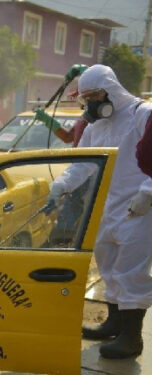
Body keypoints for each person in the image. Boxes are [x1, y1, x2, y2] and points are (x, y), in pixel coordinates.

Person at [48, 64, 152, 359]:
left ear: (110, 91)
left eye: (93, 97)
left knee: (130, 271)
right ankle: (115, 322)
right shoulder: (96, 127)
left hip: (139, 208)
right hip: (107, 206)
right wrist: (61, 186)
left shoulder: (140, 115)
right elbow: (82, 164)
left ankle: (132, 339)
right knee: (108, 266)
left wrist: (148, 192)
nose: (90, 105)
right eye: (85, 100)